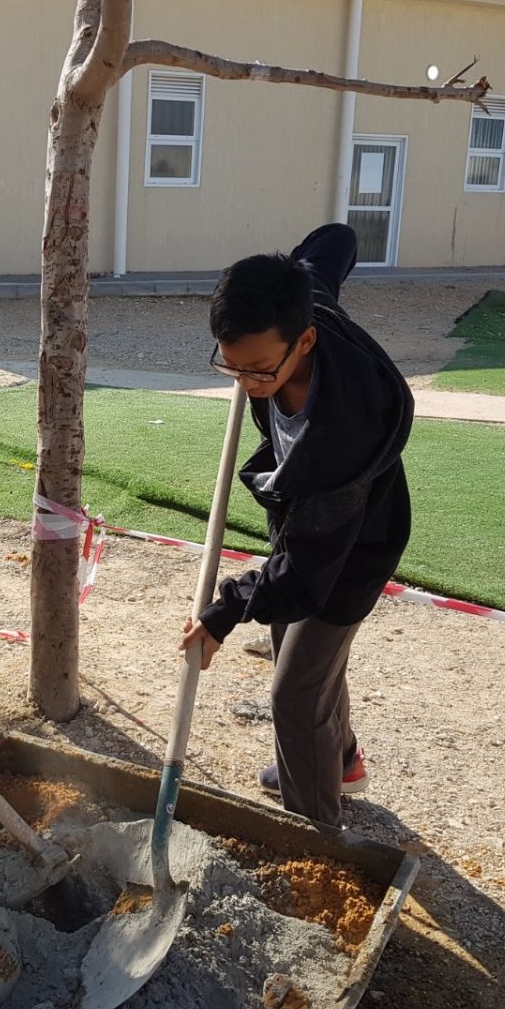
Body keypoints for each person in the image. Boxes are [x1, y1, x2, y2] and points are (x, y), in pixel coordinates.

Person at [179, 223, 413, 828]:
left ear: (305, 340)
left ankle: (316, 837)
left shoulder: (340, 434)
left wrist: (223, 612)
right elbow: (335, 241)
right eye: (231, 367)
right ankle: (338, 759)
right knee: (299, 654)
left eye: (258, 370)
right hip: (303, 526)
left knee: (294, 691)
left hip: (354, 547)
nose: (247, 383)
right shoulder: (302, 303)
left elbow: (306, 575)